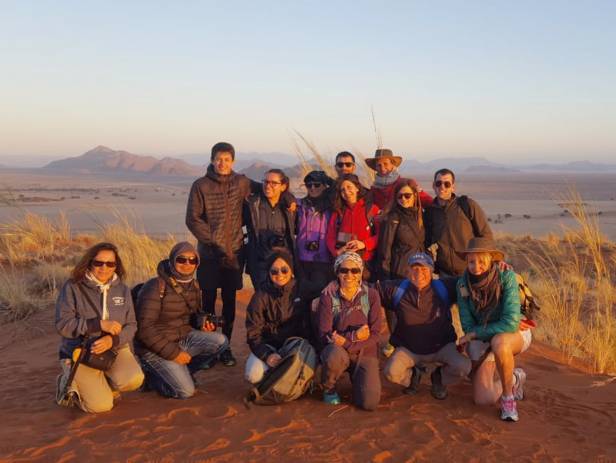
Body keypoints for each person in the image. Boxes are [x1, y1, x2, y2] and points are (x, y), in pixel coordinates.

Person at [185, 141, 253, 367]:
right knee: (207, 301)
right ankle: (208, 348)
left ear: (233, 161)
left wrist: (290, 200)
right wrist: (214, 242)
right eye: (218, 159)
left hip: (234, 254)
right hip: (209, 254)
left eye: (227, 159)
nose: (222, 163)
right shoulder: (200, 185)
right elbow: (192, 219)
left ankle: (226, 347)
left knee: (230, 302)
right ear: (212, 160)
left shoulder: (242, 182)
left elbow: (270, 188)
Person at [55, 242, 144, 413]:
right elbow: (63, 324)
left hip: (114, 349)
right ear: (89, 262)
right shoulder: (73, 287)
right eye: (98, 263)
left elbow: (131, 325)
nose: (104, 268)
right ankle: (68, 381)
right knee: (100, 406)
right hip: (81, 352)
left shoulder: (122, 290)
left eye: (110, 264)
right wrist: (98, 324)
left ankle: (103, 381)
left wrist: (113, 340)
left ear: (116, 266)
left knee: (134, 379)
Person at [135, 242, 229, 399]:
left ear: (197, 264)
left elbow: (189, 318)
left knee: (220, 341)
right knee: (185, 392)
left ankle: (179, 372)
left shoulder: (193, 286)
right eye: (182, 259)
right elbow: (144, 330)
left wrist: (201, 326)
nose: (187, 264)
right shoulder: (155, 286)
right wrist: (174, 354)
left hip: (181, 339)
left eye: (192, 260)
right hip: (154, 349)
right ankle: (154, 376)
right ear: (172, 260)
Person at [456, 238, 530, 422]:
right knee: (482, 399)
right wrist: (476, 333)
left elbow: (511, 322)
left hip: (515, 334)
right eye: (472, 261)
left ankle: (508, 399)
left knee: (500, 342)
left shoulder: (506, 276)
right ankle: (515, 378)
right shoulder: (462, 285)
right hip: (484, 337)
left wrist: (475, 333)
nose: (477, 266)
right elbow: (467, 325)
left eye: (482, 261)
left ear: (491, 260)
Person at [378, 253, 471, 399]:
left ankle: (438, 378)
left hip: (442, 347)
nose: (419, 273)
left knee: (463, 367)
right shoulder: (397, 289)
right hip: (409, 349)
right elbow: (368, 290)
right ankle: (414, 376)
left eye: (424, 269)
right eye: (414, 269)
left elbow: (470, 281)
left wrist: (499, 270)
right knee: (391, 372)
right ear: (407, 271)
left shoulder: (444, 287)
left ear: (431, 271)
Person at [317, 252, 382, 410]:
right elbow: (325, 333)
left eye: (354, 270)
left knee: (369, 403)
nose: (349, 275)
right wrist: (354, 336)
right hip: (339, 351)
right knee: (334, 355)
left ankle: (358, 378)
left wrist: (347, 342)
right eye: (344, 270)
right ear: (337, 273)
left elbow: (375, 334)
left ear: (360, 272)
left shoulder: (371, 295)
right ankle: (329, 387)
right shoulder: (328, 296)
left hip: (364, 353)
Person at [244, 250, 318, 384]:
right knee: (252, 375)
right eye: (274, 271)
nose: (280, 275)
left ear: (291, 270)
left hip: (295, 346)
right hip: (269, 346)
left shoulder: (302, 288)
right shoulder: (260, 296)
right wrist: (267, 356)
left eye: (284, 270)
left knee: (301, 367)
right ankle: (274, 381)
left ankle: (283, 380)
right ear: (269, 273)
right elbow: (253, 332)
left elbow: (325, 292)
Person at [424, 168, 492, 277]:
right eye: (438, 183)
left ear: (453, 187)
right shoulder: (430, 212)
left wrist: (484, 263)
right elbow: (426, 242)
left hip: (470, 271)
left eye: (447, 184)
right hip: (445, 274)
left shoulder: (467, 205)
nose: (442, 187)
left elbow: (485, 235)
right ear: (433, 185)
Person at [245, 168, 296, 291]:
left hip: (282, 262)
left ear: (283, 186)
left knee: (282, 297)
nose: (268, 186)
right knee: (261, 297)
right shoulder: (253, 205)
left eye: (274, 183)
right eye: (266, 182)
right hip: (258, 261)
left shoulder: (289, 208)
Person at [326, 174, 380, 280]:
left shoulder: (371, 209)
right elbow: (330, 236)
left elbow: (381, 235)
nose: (346, 192)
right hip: (344, 262)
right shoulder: (338, 212)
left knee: (364, 293)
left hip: (366, 263)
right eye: (342, 190)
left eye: (349, 187)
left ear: (357, 188)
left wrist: (364, 244)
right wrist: (337, 251)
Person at [376, 179, 426, 280]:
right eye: (399, 196)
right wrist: (386, 279)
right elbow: (385, 251)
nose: (403, 199)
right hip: (400, 272)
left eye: (407, 195)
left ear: (415, 195)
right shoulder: (393, 218)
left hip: (418, 271)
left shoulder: (419, 216)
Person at [296, 170, 335, 291]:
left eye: (317, 185)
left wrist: (328, 180)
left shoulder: (333, 206)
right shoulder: (300, 205)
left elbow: (340, 187)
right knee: (301, 295)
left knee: (319, 295)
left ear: (325, 186)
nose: (312, 188)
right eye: (309, 185)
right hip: (301, 258)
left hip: (323, 259)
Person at [364, 148, 432, 210]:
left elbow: (427, 201)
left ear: (393, 165)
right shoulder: (374, 190)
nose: (382, 168)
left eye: (385, 164)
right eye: (379, 165)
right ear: (375, 168)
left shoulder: (407, 184)